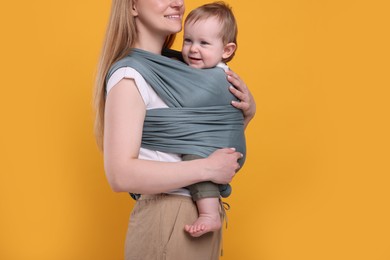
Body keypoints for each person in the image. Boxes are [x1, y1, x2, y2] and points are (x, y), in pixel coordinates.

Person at [93, 0, 256, 259]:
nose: (178, 2)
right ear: (133, 5)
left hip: (195, 215)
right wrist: (207, 168)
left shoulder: (184, 66)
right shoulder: (129, 76)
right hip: (168, 216)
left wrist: (243, 115)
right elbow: (120, 174)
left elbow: (201, 141)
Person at [180, 2, 242, 238]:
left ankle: (209, 214)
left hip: (217, 145)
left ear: (226, 50)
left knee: (194, 158)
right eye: (188, 40)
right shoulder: (203, 71)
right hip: (219, 141)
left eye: (204, 43)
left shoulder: (217, 77)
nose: (193, 49)